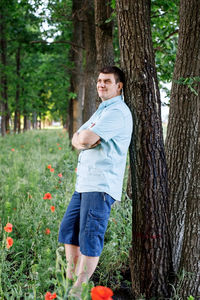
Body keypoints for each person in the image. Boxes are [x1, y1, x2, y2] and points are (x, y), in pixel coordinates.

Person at [58, 66, 133, 298]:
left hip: (100, 185)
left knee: (90, 237)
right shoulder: (102, 110)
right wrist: (84, 140)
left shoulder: (118, 111)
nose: (101, 84)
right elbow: (77, 137)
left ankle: (78, 290)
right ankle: (70, 281)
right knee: (68, 232)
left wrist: (86, 138)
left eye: (107, 81)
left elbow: (86, 136)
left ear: (119, 86)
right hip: (84, 184)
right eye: (99, 80)